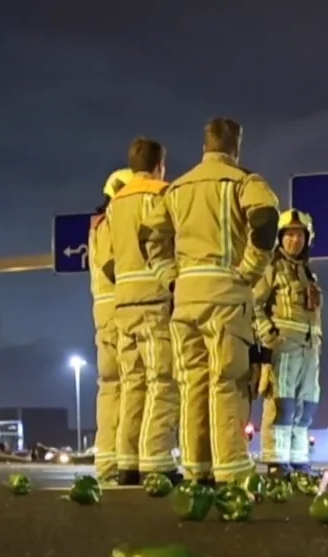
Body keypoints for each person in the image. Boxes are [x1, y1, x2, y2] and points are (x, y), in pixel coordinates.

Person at [164, 118, 281, 485]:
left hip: (186, 299)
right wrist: (250, 269)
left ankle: (196, 470)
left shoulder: (176, 188)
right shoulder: (243, 181)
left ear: (205, 146)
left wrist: (171, 278)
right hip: (226, 295)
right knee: (227, 381)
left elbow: (151, 236)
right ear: (236, 146)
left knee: (192, 383)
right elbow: (266, 220)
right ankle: (231, 471)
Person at [104, 139, 178, 482]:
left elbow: (107, 262)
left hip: (123, 304)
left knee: (132, 383)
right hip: (154, 300)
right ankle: (156, 461)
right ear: (160, 165)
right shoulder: (163, 194)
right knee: (162, 381)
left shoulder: (114, 204)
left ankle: (127, 463)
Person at [252, 209, 323, 473]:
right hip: (284, 349)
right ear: (280, 238)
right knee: (282, 405)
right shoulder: (271, 268)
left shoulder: (308, 273)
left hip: (310, 350)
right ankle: (276, 461)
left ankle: (299, 460)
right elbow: (254, 304)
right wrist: (269, 337)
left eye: (300, 235)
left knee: (306, 407)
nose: (295, 240)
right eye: (289, 235)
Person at [89, 168, 140, 484]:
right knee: (131, 384)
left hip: (105, 313)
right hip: (121, 311)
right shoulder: (113, 222)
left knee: (111, 388)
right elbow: (116, 266)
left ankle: (108, 461)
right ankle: (126, 460)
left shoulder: (97, 226)